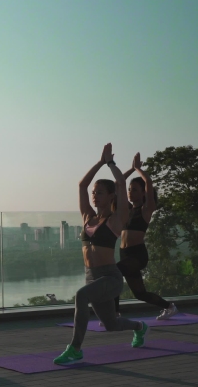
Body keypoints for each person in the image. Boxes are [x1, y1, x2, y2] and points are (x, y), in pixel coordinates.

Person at [54, 144, 149, 365]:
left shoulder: (116, 219)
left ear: (110, 196)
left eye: (99, 193)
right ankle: (140, 327)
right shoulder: (87, 216)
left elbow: (121, 182)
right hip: (91, 276)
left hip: (109, 277)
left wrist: (111, 164)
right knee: (111, 325)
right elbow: (82, 185)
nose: (94, 196)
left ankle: (75, 349)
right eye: (94, 193)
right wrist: (100, 161)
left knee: (81, 295)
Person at [116, 152, 178, 319]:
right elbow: (117, 183)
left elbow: (148, 182)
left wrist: (138, 169)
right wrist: (130, 169)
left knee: (114, 273)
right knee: (139, 293)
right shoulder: (127, 210)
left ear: (143, 193)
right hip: (124, 254)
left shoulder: (146, 209)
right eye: (129, 189)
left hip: (137, 254)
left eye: (134, 190)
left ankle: (115, 313)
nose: (130, 192)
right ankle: (169, 306)